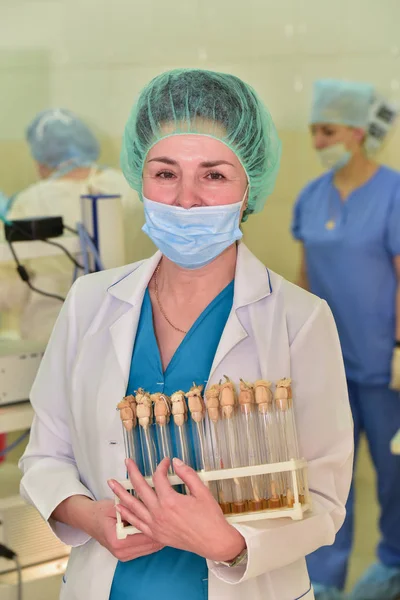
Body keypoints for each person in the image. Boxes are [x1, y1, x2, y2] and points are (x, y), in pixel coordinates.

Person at [19, 69, 353, 600]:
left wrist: (227, 543)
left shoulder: (299, 319)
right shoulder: (90, 302)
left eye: (215, 175)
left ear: (249, 188)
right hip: (109, 584)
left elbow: (325, 499)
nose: (187, 199)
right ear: (139, 177)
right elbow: (44, 457)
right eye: (165, 173)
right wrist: (89, 517)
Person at [292, 79, 400, 600]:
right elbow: (304, 280)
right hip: (329, 368)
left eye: (327, 130)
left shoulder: (394, 192)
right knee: (328, 479)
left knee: (394, 476)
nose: (318, 140)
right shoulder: (310, 198)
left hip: (385, 367)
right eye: (314, 130)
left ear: (357, 133)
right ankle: (325, 578)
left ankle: (393, 564)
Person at [0, 109, 152, 342]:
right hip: (128, 328)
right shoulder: (129, 189)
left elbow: (11, 294)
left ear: (40, 163)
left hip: (49, 334)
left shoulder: (29, 202)